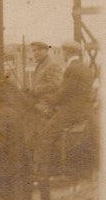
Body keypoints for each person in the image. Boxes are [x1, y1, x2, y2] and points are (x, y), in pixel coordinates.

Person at [36, 41, 94, 174]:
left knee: (45, 134)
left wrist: (49, 99)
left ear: (69, 52)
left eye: (64, 52)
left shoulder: (72, 68)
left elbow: (64, 93)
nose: (63, 55)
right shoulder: (84, 67)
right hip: (83, 107)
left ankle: (44, 171)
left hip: (71, 110)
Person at [27, 42, 61, 112]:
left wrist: (36, 89)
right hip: (37, 100)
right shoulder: (40, 65)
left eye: (38, 50)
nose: (36, 53)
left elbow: (55, 84)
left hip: (47, 104)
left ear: (46, 51)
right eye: (34, 51)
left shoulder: (51, 65)